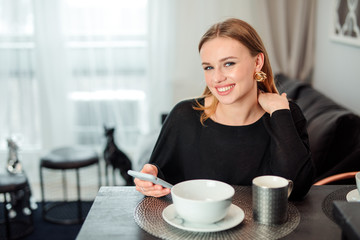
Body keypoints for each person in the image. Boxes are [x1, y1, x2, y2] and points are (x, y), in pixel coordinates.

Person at [134, 18, 315, 199]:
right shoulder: (183, 117)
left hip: (265, 227)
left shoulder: (285, 115)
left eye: (229, 64)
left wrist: (280, 114)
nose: (217, 78)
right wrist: (149, 179)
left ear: (257, 62)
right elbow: (159, 177)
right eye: (209, 67)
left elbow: (297, 190)